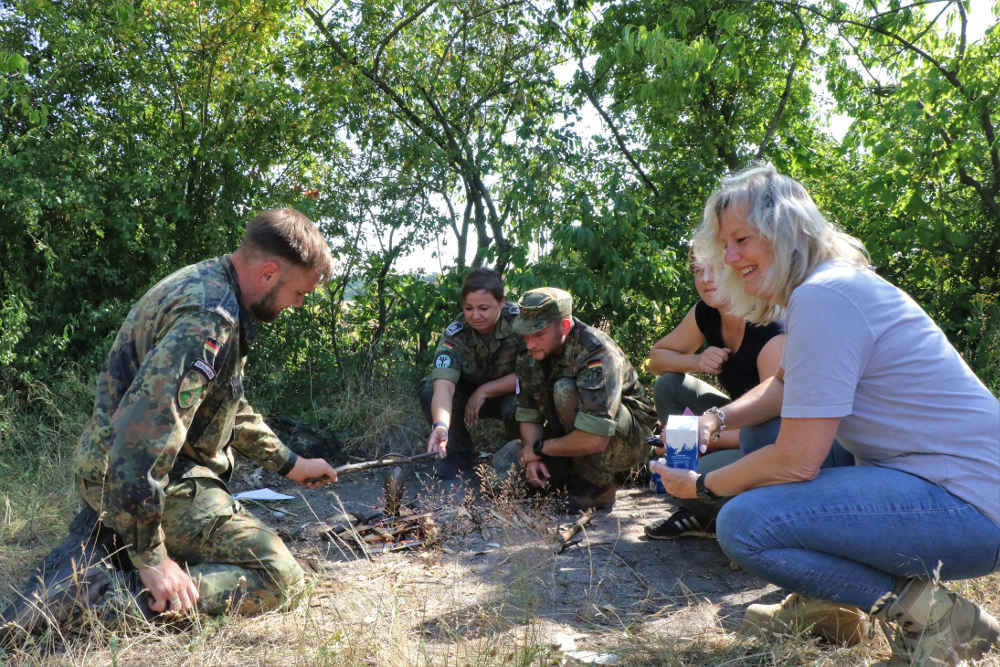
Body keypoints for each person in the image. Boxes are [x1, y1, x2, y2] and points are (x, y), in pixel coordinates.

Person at [653, 164, 1000, 662]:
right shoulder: (820, 291)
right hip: (945, 490)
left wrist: (702, 488)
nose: (728, 257)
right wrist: (718, 419)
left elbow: (797, 462)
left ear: (784, 229)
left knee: (744, 524)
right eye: (723, 244)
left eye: (741, 240)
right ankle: (828, 606)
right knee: (766, 429)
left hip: (969, 506)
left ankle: (940, 620)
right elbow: (782, 388)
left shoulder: (824, 297)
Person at [1, 209, 340, 643]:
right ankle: (99, 596)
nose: (299, 303)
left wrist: (292, 464)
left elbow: (227, 405)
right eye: (299, 292)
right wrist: (153, 558)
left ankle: (108, 548)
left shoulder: (211, 285)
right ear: (270, 273)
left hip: (126, 478)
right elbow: (144, 435)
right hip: (143, 480)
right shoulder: (208, 316)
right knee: (281, 576)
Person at [644, 248, 785, 539]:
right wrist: (696, 361)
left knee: (686, 474)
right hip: (729, 419)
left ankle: (723, 516)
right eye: (697, 270)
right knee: (669, 384)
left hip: (774, 438)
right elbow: (656, 358)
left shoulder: (769, 322)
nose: (705, 279)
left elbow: (781, 427)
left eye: (716, 268)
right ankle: (703, 508)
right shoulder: (706, 312)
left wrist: (701, 438)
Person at [504, 287, 656, 511]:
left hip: (627, 439)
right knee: (501, 470)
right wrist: (533, 456)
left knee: (564, 390)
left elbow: (596, 438)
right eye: (525, 334)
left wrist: (538, 448)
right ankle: (569, 474)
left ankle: (598, 487)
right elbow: (528, 414)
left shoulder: (596, 353)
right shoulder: (528, 354)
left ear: (564, 326)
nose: (529, 343)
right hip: (570, 435)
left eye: (538, 334)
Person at [420, 268, 524, 480]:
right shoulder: (456, 334)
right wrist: (440, 425)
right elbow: (443, 386)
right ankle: (458, 457)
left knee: (522, 400)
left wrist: (486, 390)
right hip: (467, 399)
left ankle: (520, 457)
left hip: (511, 394)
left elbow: (533, 375)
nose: (475, 316)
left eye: (484, 308)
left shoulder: (521, 324)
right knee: (428, 388)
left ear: (502, 302)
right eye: (468, 308)